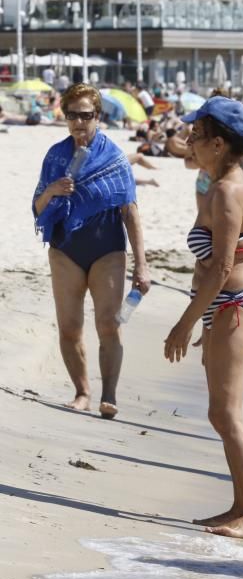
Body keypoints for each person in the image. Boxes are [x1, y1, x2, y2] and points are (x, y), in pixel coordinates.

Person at [164, 96, 243, 540]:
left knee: (227, 414)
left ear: (221, 144)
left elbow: (223, 266)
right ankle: (242, 506)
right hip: (222, 307)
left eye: (198, 134)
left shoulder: (228, 190)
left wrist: (186, 322)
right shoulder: (218, 181)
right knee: (220, 413)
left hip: (233, 306)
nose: (190, 139)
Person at [32, 83, 151, 418]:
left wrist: (141, 264)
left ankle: (109, 393)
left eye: (85, 115)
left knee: (109, 325)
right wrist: (52, 191)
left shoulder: (114, 158)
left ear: (98, 116)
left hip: (107, 249)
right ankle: (82, 391)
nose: (78, 122)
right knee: (69, 327)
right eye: (72, 115)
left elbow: (130, 212)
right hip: (65, 249)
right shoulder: (55, 156)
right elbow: (38, 208)